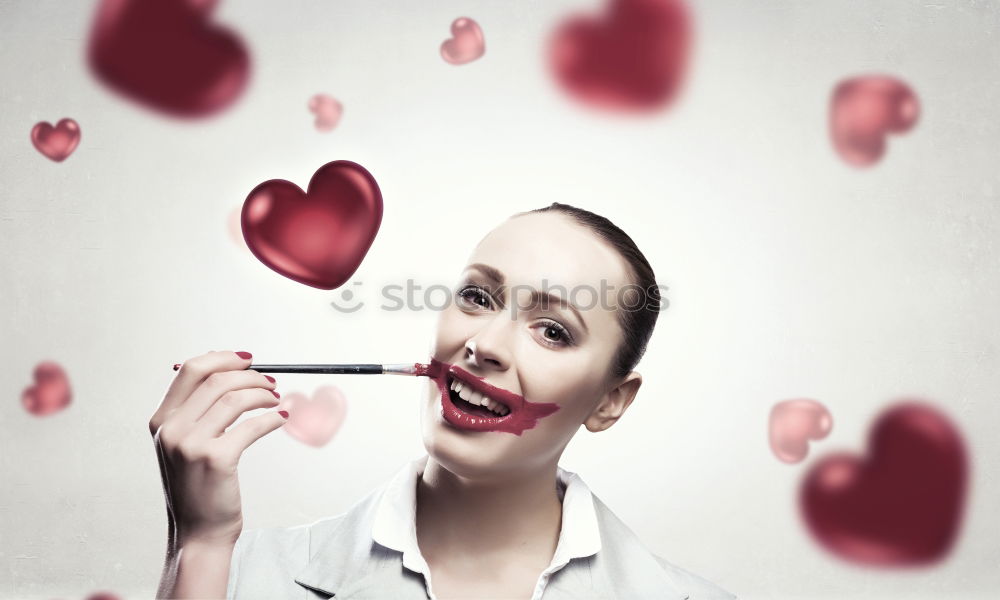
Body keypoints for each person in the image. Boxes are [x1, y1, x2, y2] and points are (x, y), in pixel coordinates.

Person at [150, 202, 737, 599]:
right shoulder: (238, 575)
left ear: (610, 401)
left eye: (552, 330)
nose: (482, 345)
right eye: (478, 296)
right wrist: (198, 544)